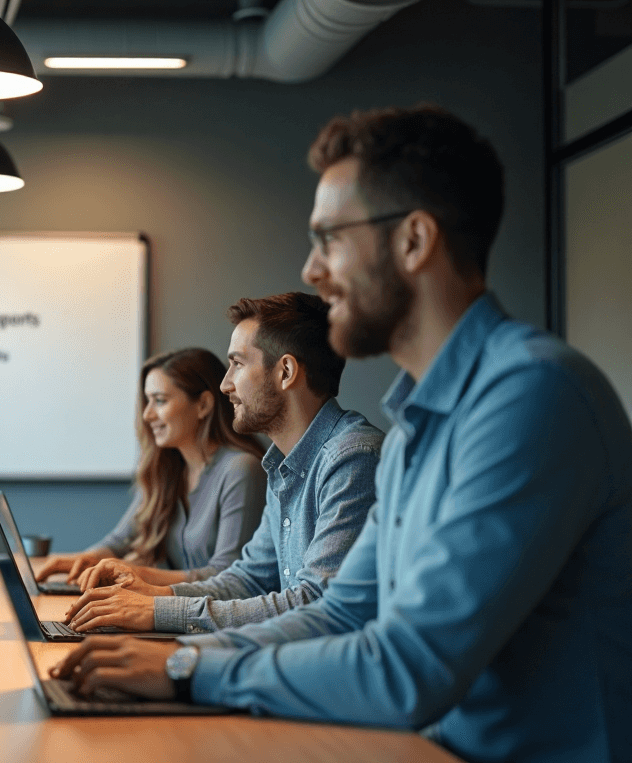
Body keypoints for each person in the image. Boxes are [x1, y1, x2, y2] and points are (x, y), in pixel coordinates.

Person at [53, 105, 632, 763]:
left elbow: (410, 667)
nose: (311, 270)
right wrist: (177, 656)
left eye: (330, 238)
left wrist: (188, 670)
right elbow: (342, 614)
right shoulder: (416, 425)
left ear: (414, 242)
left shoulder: (531, 397)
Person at [63, 292, 383, 636]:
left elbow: (316, 601)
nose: (224, 383)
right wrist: (154, 595)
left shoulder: (352, 458)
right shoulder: (285, 465)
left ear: (286, 372)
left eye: (238, 364)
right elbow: (248, 579)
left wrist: (159, 611)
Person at [36, 349, 267, 587]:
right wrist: (81, 560)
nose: (147, 415)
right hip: (178, 617)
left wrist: (136, 573)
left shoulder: (241, 470)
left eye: (160, 401)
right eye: (147, 401)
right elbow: (120, 541)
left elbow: (229, 577)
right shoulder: (169, 469)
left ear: (203, 405)